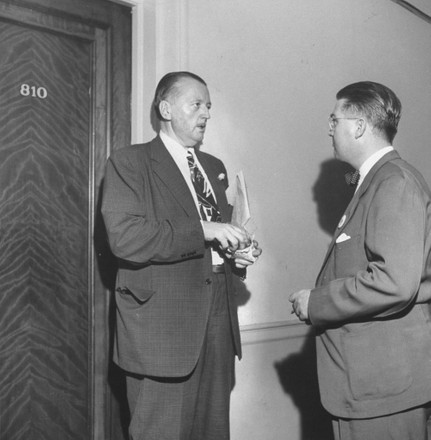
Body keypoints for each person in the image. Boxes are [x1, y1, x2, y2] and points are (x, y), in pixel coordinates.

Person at [101, 71, 261, 440]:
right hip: (163, 333)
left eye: (209, 106)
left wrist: (239, 253)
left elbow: (219, 243)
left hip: (218, 324)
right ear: (166, 108)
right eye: (197, 104)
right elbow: (126, 239)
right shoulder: (129, 163)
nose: (206, 114)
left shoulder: (214, 169)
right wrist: (206, 229)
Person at [289, 81, 431, 440]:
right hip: (368, 386)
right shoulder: (375, 181)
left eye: (334, 119)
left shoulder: (394, 182)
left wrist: (315, 302)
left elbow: (394, 283)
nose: (329, 128)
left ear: (358, 126)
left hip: (384, 391)